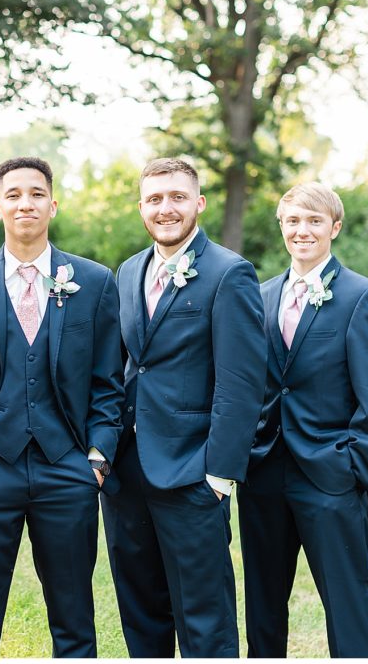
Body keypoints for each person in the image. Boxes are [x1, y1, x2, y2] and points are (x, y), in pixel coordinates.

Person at [0, 156, 124, 657]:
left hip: (69, 469)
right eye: (13, 195)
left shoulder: (95, 282)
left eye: (37, 194)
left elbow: (108, 382)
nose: (25, 204)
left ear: (53, 205)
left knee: (75, 620)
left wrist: (97, 458)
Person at [100, 157, 266, 657]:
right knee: (141, 613)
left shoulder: (229, 273)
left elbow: (241, 382)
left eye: (177, 197)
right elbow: (124, 366)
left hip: (193, 473)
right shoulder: (128, 271)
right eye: (154, 199)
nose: (165, 208)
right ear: (141, 207)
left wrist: (219, 474)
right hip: (127, 473)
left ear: (199, 203)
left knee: (204, 620)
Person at [238, 182, 368, 657]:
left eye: (314, 221)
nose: (302, 231)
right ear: (281, 227)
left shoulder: (363, 296)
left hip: (331, 476)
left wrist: (354, 470)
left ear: (335, 227)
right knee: (263, 608)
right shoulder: (261, 295)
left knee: (350, 610)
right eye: (293, 221)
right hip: (264, 472)